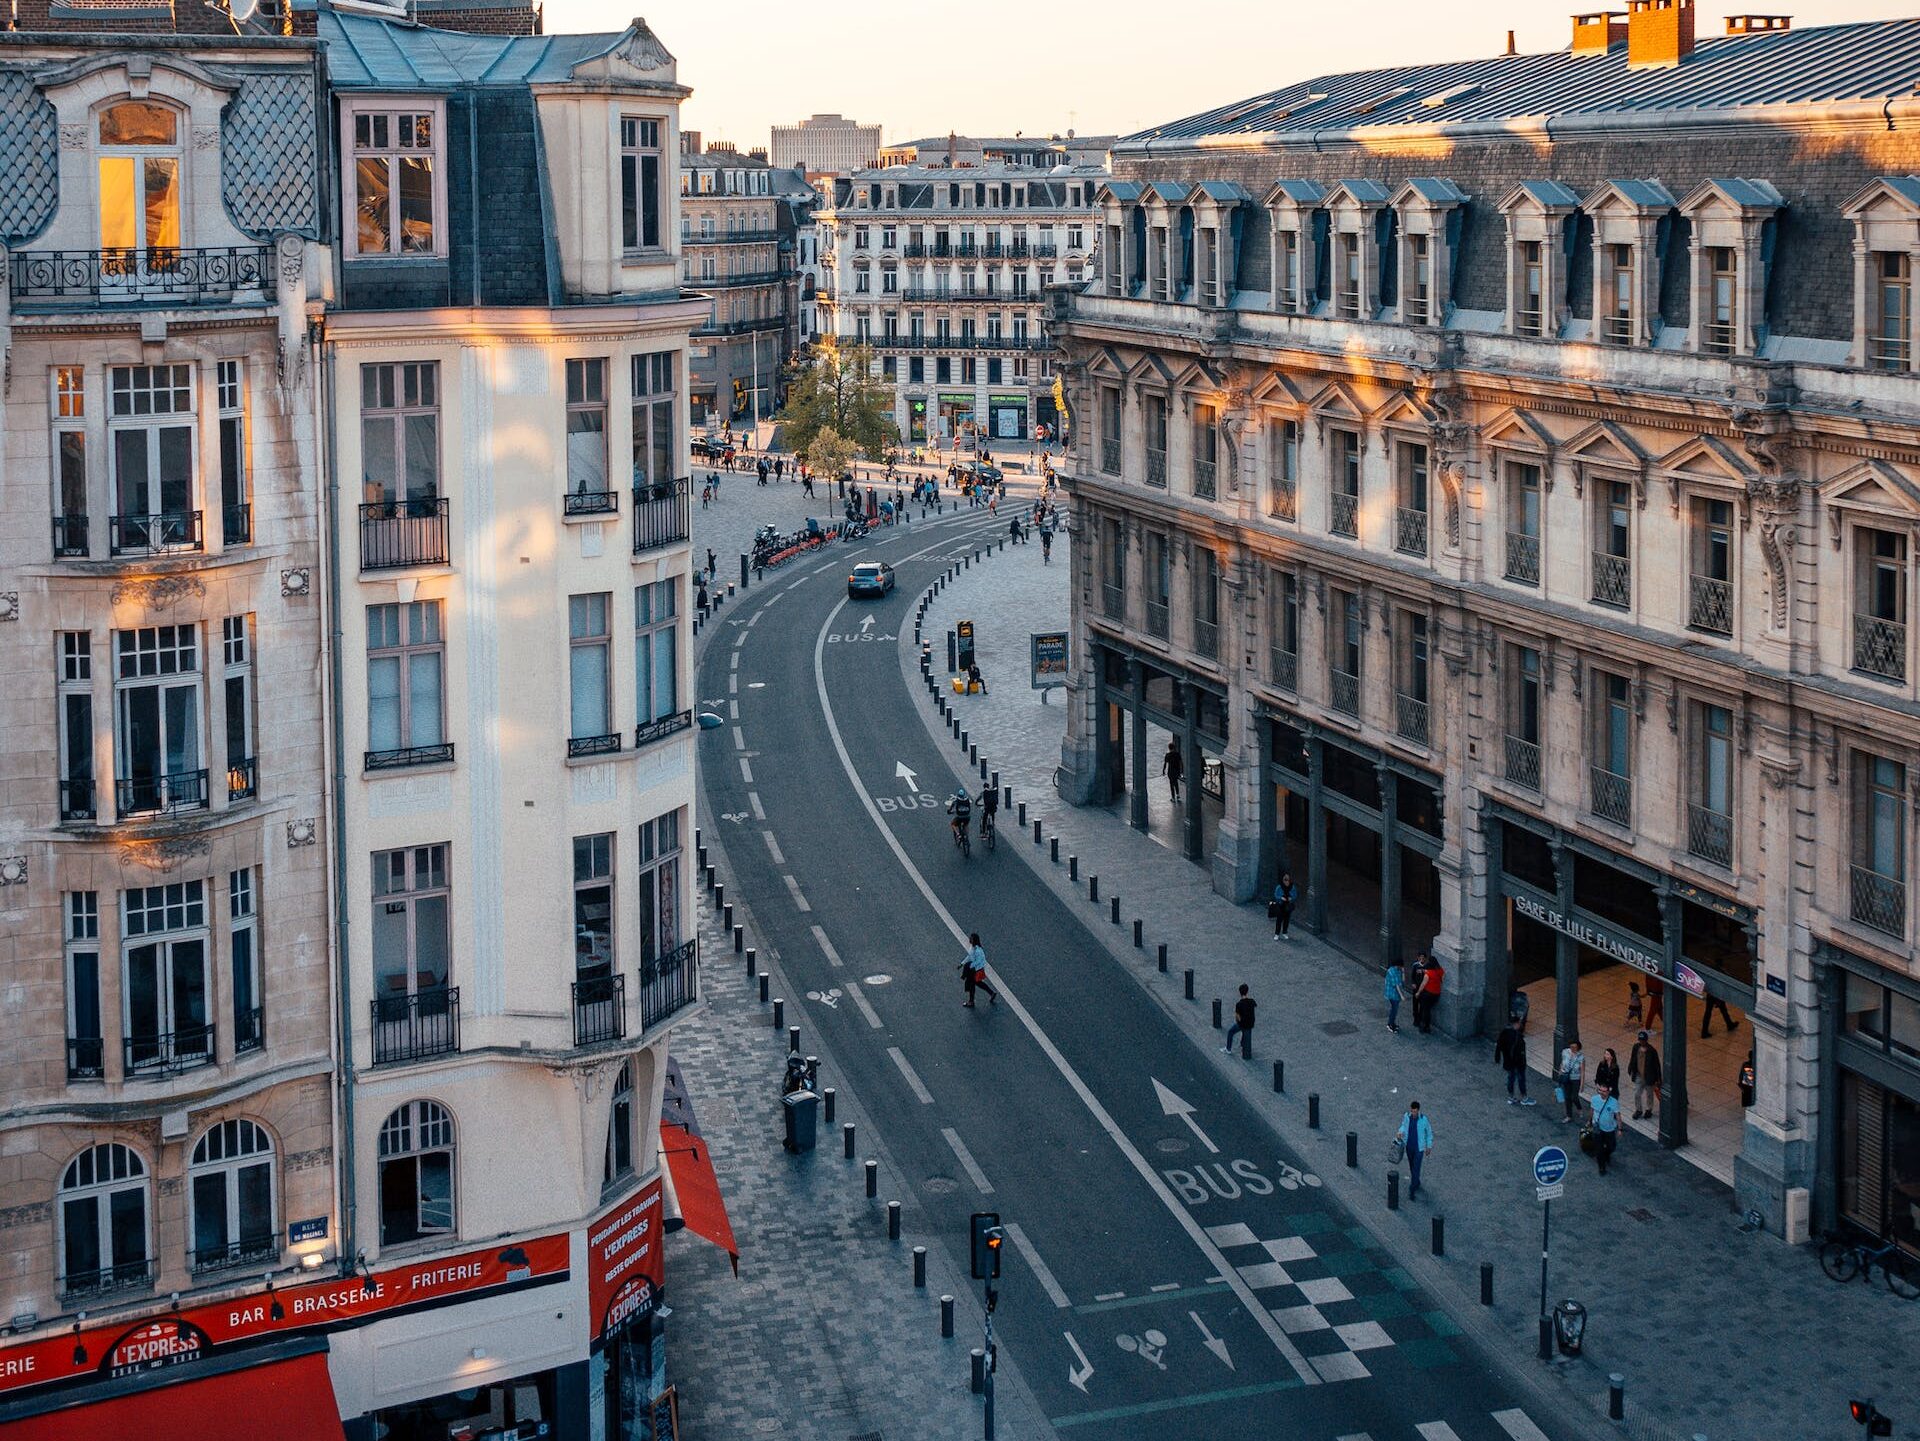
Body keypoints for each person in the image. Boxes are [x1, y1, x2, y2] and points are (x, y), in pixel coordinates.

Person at [1397, 1101, 1434, 1201]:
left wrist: (1428, 1146)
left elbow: (1429, 1132)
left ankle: (1412, 1189)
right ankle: (1416, 1181)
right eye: (1412, 1111)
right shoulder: (1407, 1117)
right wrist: (1400, 1132)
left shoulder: (1423, 1120)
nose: (1413, 1113)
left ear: (1418, 1110)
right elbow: (1403, 1127)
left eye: (1415, 1111)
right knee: (1412, 1166)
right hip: (1409, 1147)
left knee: (1416, 1168)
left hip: (1419, 1149)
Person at [1495, 1016, 1534, 1104]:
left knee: (1511, 1078)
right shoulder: (1517, 1035)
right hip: (1518, 1063)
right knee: (1521, 1079)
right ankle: (1524, 1097)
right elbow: (1520, 1051)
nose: (1520, 1024)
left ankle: (1511, 1096)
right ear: (1515, 1024)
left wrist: (1497, 1058)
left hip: (1508, 1062)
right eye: (1519, 1023)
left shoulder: (1504, 1033)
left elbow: (1499, 1046)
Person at [1628, 1030, 1662, 1120]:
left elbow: (1656, 1065)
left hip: (1649, 1077)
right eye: (1640, 1040)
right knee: (1637, 1094)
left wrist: (1658, 1079)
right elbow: (1633, 1058)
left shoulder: (1652, 1051)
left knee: (1649, 1094)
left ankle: (1649, 1109)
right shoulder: (1636, 1047)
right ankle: (1638, 1110)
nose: (1641, 1042)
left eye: (1643, 1040)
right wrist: (1630, 1068)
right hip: (1639, 1075)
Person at [1589, 1083, 1622, 1175]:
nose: (1602, 1093)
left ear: (1609, 1091)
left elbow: (1618, 1116)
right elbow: (1592, 1111)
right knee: (1599, 1149)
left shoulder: (1614, 1102)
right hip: (1597, 1128)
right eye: (1600, 1090)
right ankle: (1601, 1167)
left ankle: (1606, 1154)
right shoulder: (1594, 1099)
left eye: (1604, 1091)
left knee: (1612, 1147)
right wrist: (1589, 1121)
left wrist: (1620, 1129)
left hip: (1609, 1129)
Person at [959, 932, 997, 1008]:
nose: (969, 939)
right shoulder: (973, 948)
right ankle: (991, 993)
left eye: (971, 938)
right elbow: (969, 956)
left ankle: (971, 1001)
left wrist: (971, 966)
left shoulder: (977, 950)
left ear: (974, 940)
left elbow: (980, 961)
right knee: (978, 983)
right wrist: (962, 964)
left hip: (974, 970)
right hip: (974, 969)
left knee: (972, 984)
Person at [1414, 952, 1444, 1035]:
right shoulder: (1440, 970)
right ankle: (1427, 1027)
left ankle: (1424, 1026)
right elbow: (1442, 979)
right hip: (1436, 994)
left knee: (1425, 1010)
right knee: (1428, 1009)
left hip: (1427, 994)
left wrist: (1418, 992)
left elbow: (1423, 984)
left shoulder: (1428, 974)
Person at [1557, 1039, 1585, 1124]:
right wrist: (1560, 1071)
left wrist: (1582, 1084)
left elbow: (1582, 1071)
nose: (1572, 1048)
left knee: (1574, 1097)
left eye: (1575, 1047)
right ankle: (1569, 1115)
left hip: (1576, 1078)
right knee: (1567, 1097)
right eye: (1571, 1046)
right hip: (1566, 1077)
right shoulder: (1565, 1052)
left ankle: (1579, 1107)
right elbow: (1562, 1062)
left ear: (1578, 1048)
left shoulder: (1581, 1057)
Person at [1223, 985, 1256, 1056]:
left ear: (1240, 992)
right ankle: (1243, 1044)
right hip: (1250, 1023)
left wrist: (1239, 1021)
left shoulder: (1239, 1004)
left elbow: (1237, 1017)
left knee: (1231, 1031)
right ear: (1247, 991)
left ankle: (1228, 1049)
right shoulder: (1252, 1001)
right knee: (1245, 1031)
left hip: (1243, 1024)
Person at [1271, 871, 1297, 940]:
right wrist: (1281, 898)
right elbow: (1276, 895)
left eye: (1288, 880)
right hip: (1281, 905)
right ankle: (1277, 934)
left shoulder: (1292, 887)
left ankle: (1284, 932)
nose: (1286, 881)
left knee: (1286, 920)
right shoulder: (1279, 887)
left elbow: (1295, 895)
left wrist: (1291, 898)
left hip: (1288, 905)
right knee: (1279, 920)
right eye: (1285, 880)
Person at [1384, 960, 1404, 1034]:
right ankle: (1390, 1024)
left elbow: (1402, 981)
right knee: (1394, 1010)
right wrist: (1402, 996)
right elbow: (1396, 985)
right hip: (1392, 994)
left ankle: (1392, 1023)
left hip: (1395, 994)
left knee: (1394, 1009)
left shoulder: (1398, 970)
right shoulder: (1392, 972)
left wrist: (1403, 972)